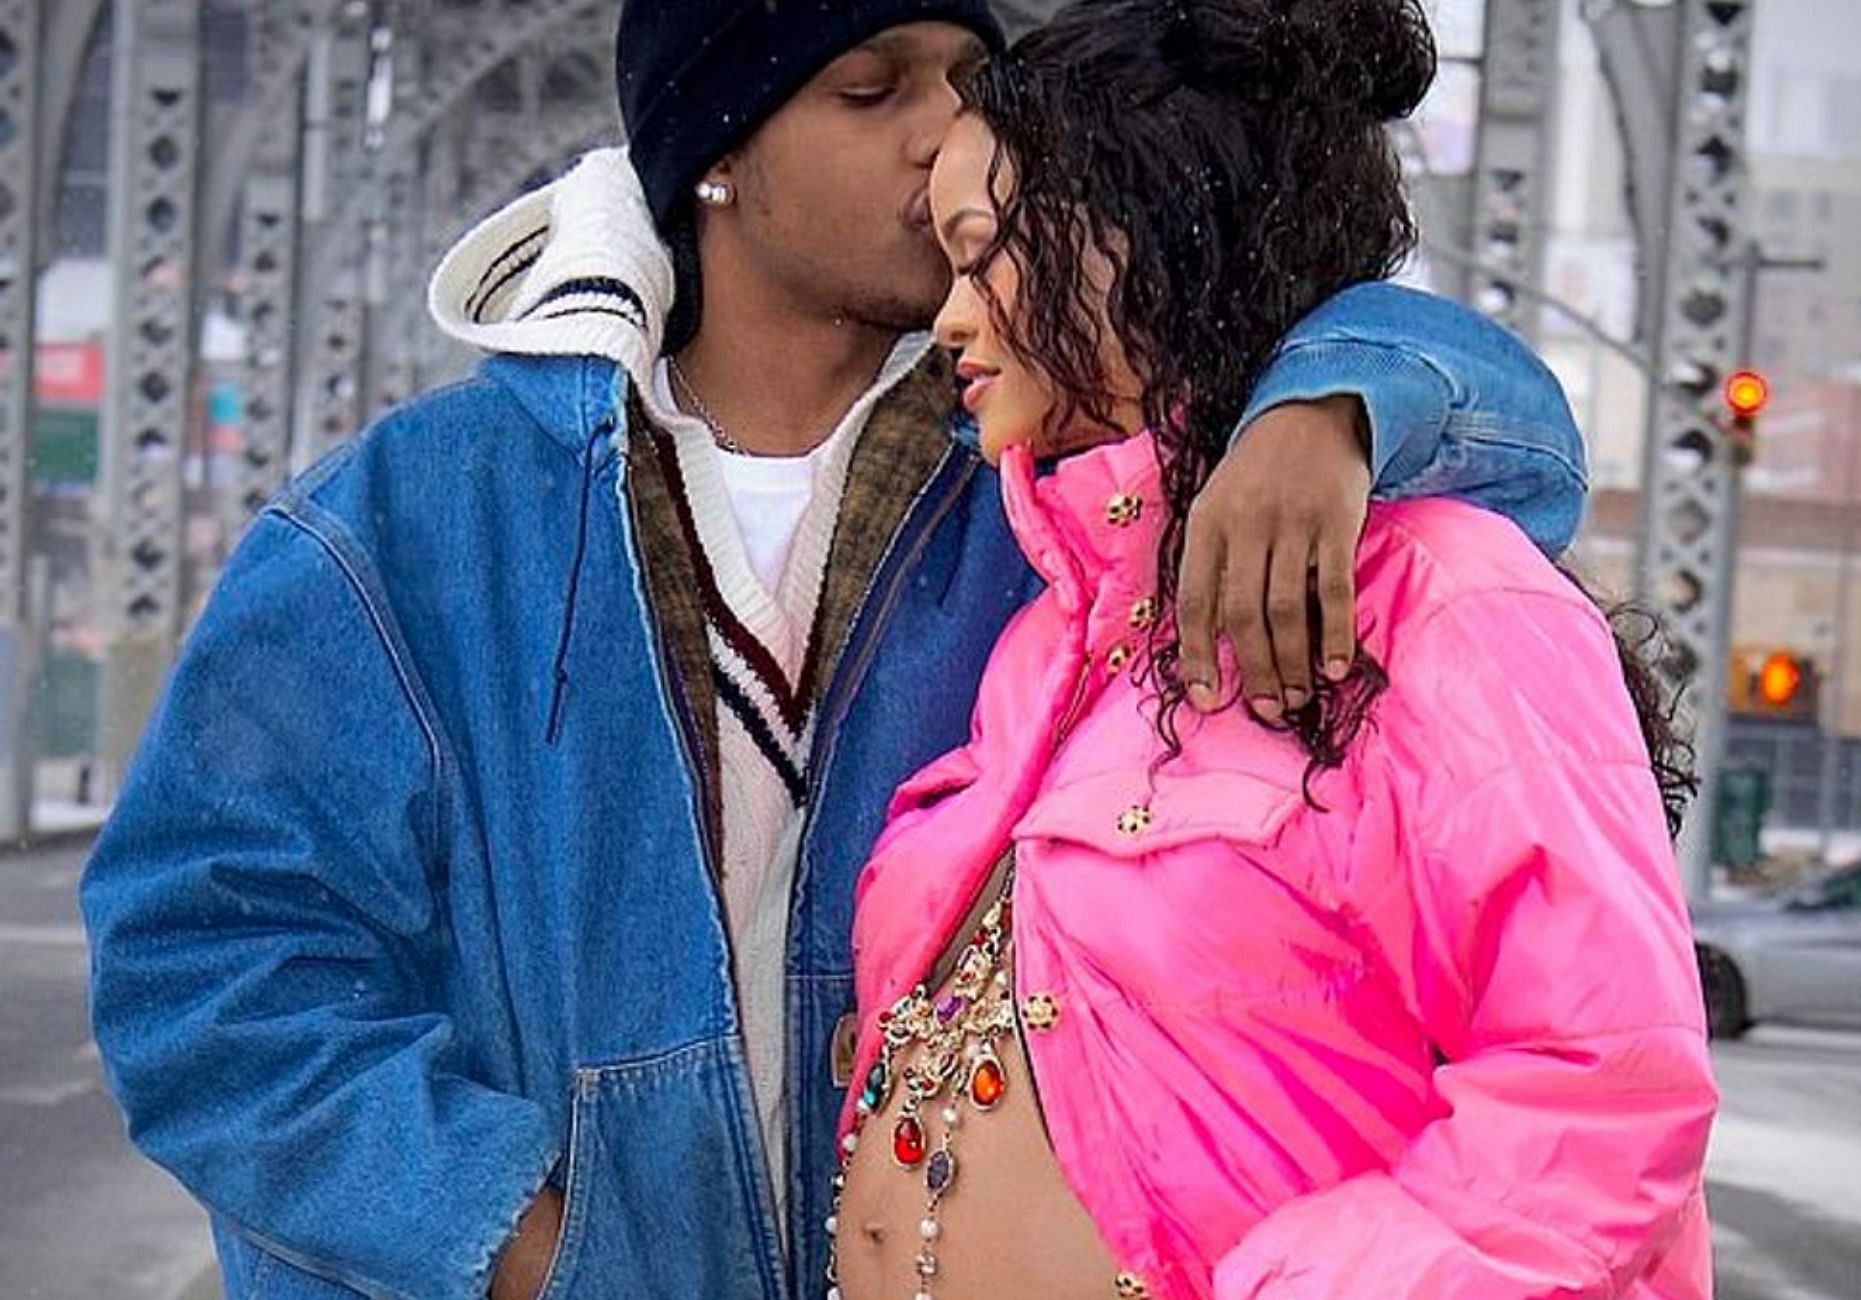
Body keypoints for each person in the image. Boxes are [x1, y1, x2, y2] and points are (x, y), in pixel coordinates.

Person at [82, 3, 1593, 1299]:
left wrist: (1329, 406)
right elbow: (204, 962)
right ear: (715, 154)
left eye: (966, 77)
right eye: (870, 89)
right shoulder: (406, 527)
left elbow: (1502, 429)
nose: (944, 131)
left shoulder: (1061, 485)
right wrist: (527, 1246)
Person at [832, 3, 1716, 1299]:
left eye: (982, 256)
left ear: (1133, 235)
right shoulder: (1056, 645)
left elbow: (1600, 1087)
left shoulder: (1446, 603)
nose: (952, 321)